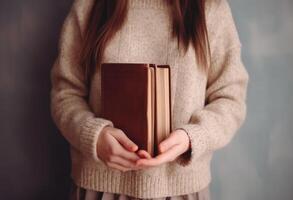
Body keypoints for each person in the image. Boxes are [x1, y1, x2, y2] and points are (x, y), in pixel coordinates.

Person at [50, 0, 249, 199]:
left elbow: (231, 99)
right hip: (99, 189)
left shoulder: (211, 9)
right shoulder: (89, 6)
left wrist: (192, 138)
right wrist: (94, 136)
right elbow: (65, 93)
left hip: (182, 190)